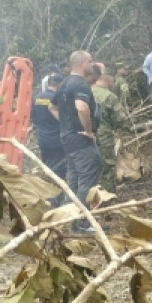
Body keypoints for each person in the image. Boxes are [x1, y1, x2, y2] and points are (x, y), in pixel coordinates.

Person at [52, 50, 103, 220]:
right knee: (87, 180)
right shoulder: (81, 84)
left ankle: (69, 217)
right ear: (82, 63)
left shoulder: (64, 83)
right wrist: (88, 130)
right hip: (81, 140)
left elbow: (52, 107)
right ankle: (81, 221)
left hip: (67, 137)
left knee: (74, 180)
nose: (92, 64)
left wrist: (66, 124)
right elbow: (82, 107)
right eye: (90, 61)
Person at [93, 73, 129, 190]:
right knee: (108, 163)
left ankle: (92, 190)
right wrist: (119, 128)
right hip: (104, 133)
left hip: (87, 133)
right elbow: (119, 118)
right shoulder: (109, 96)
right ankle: (108, 193)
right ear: (109, 82)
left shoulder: (87, 91)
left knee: (91, 162)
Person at [32, 74, 66, 181]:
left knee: (46, 167)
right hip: (57, 138)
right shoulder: (58, 98)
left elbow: (34, 118)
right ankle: (57, 197)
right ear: (59, 85)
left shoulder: (37, 97)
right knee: (59, 170)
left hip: (42, 138)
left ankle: (46, 192)